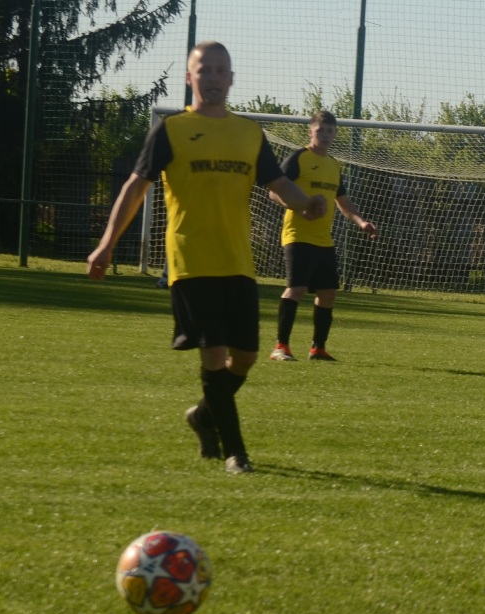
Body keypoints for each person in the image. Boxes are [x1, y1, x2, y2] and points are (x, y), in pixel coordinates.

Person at [87, 41, 326, 474]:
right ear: (189, 77)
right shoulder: (171, 130)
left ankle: (202, 414)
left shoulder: (249, 134)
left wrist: (305, 203)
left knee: (246, 357)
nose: (213, 77)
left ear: (231, 79)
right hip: (190, 261)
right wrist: (106, 244)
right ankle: (236, 453)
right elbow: (135, 188)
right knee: (213, 354)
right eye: (204, 70)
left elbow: (277, 184)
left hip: (238, 261)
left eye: (220, 70)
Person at [268, 110, 378, 362]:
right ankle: (281, 347)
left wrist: (361, 222)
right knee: (296, 288)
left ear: (335, 134)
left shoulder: (333, 165)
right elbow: (274, 192)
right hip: (297, 235)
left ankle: (318, 349)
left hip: (323, 239)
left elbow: (344, 202)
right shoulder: (299, 158)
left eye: (330, 131)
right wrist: (299, 208)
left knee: (328, 292)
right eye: (321, 130)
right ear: (311, 131)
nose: (325, 135)